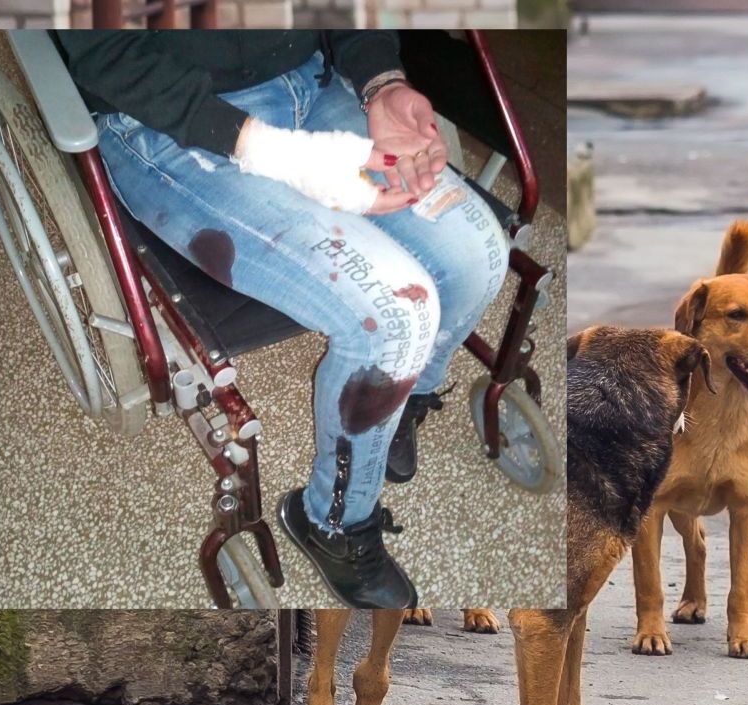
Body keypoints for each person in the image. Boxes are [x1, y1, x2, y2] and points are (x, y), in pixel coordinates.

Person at [59, 30, 510, 608]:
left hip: (311, 85)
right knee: (395, 312)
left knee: (477, 256)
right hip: (166, 121)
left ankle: (403, 403)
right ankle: (331, 523)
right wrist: (284, 156)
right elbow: (103, 52)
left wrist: (381, 81)